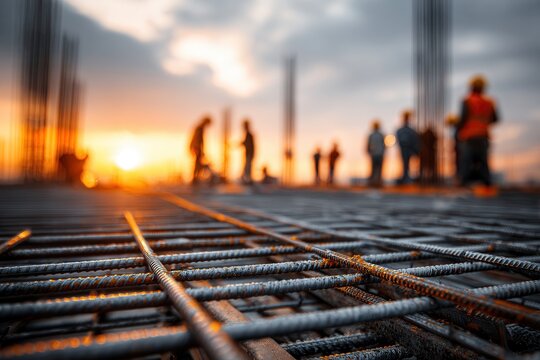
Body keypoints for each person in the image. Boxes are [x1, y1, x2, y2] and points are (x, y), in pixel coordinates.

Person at [457, 75, 499, 186]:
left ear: (471, 87)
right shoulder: (489, 102)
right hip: (483, 135)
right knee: (483, 160)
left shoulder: (467, 101)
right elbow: (495, 119)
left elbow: (463, 118)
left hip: (469, 136)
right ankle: (487, 183)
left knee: (466, 159)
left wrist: (458, 131)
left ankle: (464, 183)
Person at [396, 111, 420, 184]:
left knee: (407, 163)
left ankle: (406, 177)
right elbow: (398, 137)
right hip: (404, 148)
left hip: (409, 149)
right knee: (405, 163)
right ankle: (405, 177)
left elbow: (415, 139)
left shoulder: (411, 130)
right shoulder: (401, 130)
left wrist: (415, 148)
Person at [189, 116, 211, 185]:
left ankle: (196, 178)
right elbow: (198, 140)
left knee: (198, 163)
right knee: (197, 163)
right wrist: (198, 150)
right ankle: (195, 179)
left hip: (196, 148)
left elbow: (200, 141)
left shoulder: (200, 128)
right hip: (196, 148)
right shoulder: (200, 128)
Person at [367, 120, 385, 187]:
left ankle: (377, 182)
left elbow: (368, 145)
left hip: (376, 154)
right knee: (376, 169)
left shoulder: (375, 135)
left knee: (376, 169)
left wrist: (369, 151)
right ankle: (374, 182)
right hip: (377, 154)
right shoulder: (380, 135)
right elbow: (368, 145)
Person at [241, 119, 255, 185]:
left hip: (249, 155)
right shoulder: (248, 134)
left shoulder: (249, 135)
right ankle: (247, 181)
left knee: (247, 169)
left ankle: (248, 182)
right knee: (246, 169)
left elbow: (249, 145)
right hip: (248, 154)